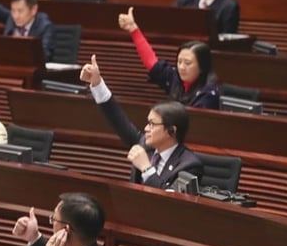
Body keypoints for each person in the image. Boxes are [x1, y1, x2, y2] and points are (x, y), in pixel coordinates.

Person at [81, 54, 203, 190]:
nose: (146, 128)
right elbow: (117, 118)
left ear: (171, 130)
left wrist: (147, 169)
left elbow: (172, 204)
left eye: (152, 124)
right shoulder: (145, 144)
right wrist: (97, 84)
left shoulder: (190, 166)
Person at [118, 6, 220, 109]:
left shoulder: (208, 94)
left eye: (187, 63)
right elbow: (152, 63)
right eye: (179, 62)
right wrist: (134, 30)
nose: (181, 67)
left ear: (202, 66)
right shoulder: (176, 78)